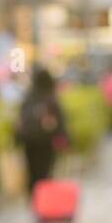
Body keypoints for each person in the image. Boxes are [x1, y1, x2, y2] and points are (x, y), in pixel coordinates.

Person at [14, 67, 69, 196]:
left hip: (29, 142)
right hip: (46, 142)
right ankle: (44, 200)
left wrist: (16, 140)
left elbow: (20, 121)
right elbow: (60, 122)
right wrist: (66, 140)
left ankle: (34, 198)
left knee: (32, 172)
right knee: (45, 172)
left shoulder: (28, 98)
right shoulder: (51, 98)